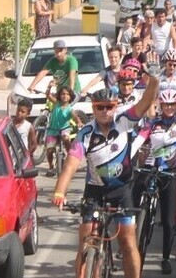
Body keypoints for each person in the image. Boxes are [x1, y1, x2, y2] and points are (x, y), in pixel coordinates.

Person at [51, 77, 159, 278]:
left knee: (127, 242)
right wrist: (59, 191)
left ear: (115, 106)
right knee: (85, 240)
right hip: (94, 192)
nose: (105, 111)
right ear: (93, 108)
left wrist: (154, 79)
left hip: (122, 191)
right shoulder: (85, 134)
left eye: (109, 107)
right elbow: (70, 165)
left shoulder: (124, 120)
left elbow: (146, 102)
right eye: (100, 107)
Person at [132, 89, 176, 274]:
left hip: (170, 172)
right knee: (133, 193)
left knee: (167, 220)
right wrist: (127, 160)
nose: (170, 108)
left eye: (173, 104)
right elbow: (138, 141)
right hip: (150, 167)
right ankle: (133, 235)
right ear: (161, 104)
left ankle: (165, 257)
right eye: (166, 104)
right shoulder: (152, 123)